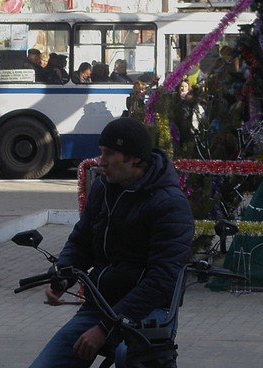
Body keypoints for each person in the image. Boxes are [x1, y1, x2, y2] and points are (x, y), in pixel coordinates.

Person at [27, 118, 194, 368]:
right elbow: (81, 240)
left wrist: (105, 328)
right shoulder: (103, 189)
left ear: (134, 158)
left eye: (109, 153)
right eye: (101, 151)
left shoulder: (169, 204)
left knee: (129, 357)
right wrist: (62, 277)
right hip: (101, 305)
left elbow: (162, 280)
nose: (100, 160)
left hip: (149, 312)